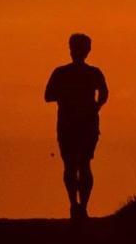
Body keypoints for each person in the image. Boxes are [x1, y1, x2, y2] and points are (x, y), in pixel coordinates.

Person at [44, 33, 108, 221]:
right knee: (75, 165)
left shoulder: (84, 73)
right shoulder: (65, 73)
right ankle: (76, 205)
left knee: (80, 164)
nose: (76, 51)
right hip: (72, 123)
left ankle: (79, 206)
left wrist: (95, 106)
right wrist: (93, 105)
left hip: (81, 123)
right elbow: (48, 96)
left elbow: (104, 94)